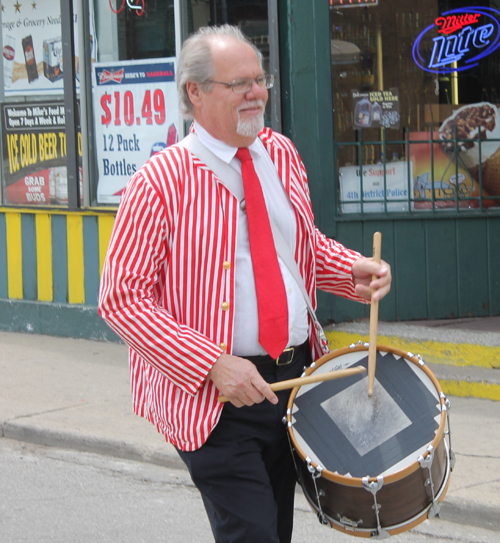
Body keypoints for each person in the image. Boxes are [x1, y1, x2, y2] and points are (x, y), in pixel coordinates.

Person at [99, 24, 392, 543]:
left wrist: (351, 272)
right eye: (240, 84)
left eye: (261, 79)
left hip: (295, 381)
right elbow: (122, 299)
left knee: (275, 527)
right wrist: (211, 364)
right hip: (214, 399)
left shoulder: (280, 153)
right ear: (196, 92)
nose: (257, 93)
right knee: (252, 533)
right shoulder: (159, 183)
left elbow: (297, 250)